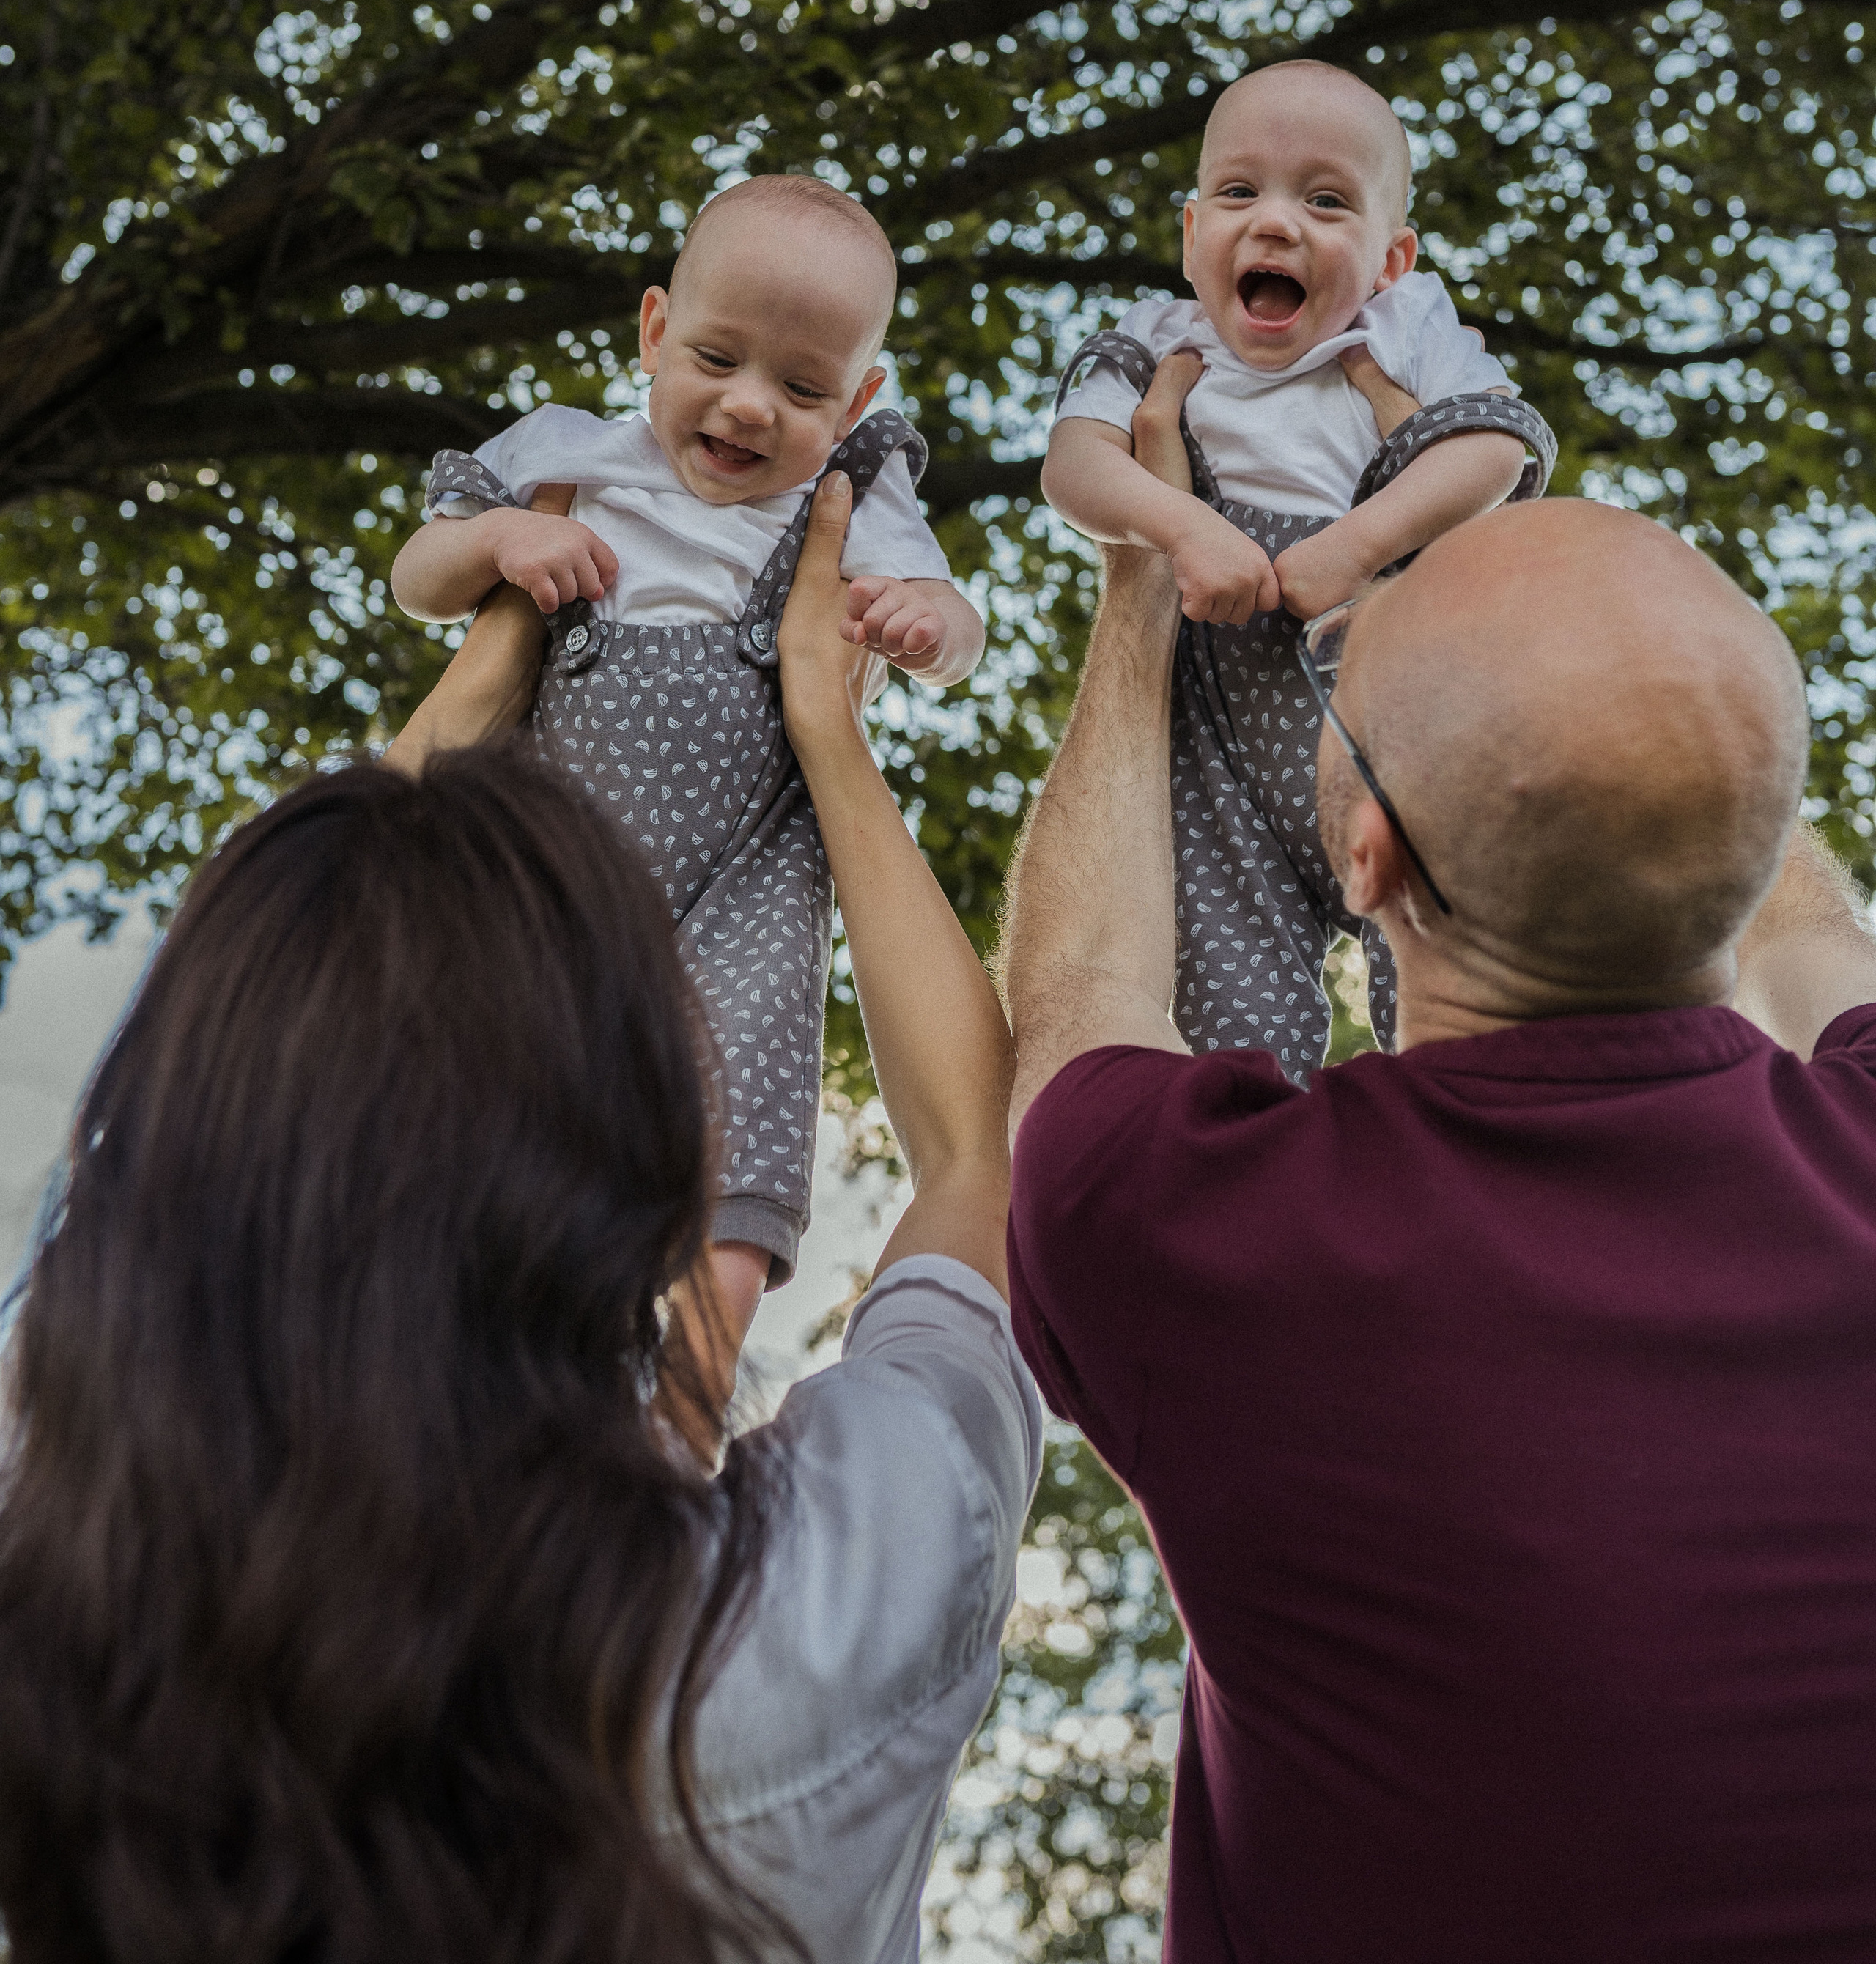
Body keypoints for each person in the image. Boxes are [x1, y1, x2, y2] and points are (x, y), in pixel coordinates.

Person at [0, 479, 1038, 1964]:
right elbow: (973, 1157)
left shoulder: (46, 1526)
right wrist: (828, 736)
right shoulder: (834, 1591)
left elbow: (212, 1068)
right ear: (661, 1157)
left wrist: (497, 649)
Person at [1002, 484, 1876, 1963]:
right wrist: (1631, 689)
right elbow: (1808, 930)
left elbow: (1084, 980)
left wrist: (1140, 573)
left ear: (1369, 860)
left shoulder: (1198, 1228)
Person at [388, 173, 986, 1362]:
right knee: (483, 1074)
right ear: (655, 330)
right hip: (555, 851)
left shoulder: (852, 496)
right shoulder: (572, 452)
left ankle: (695, 1383)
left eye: (804, 389)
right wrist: (502, 537)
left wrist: (928, 627)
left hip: (750, 871)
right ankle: (451, 1320)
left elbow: (958, 625)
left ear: (860, 399)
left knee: (748, 1106)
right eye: (717, 358)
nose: (750, 406)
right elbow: (420, 575)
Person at [1043, 59, 1556, 1066]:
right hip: (1218, 753)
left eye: (1326, 201)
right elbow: (1075, 467)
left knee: (1458, 990)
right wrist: (1183, 529)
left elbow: (1497, 447)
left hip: (1394, 728)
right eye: (1240, 192)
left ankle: (1459, 1118)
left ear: (1391, 258)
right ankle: (1261, 1137)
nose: (1275, 222)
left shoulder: (1408, 331)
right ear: (1192, 234)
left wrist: (1360, 544)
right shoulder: (1154, 340)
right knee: (1230, 1018)